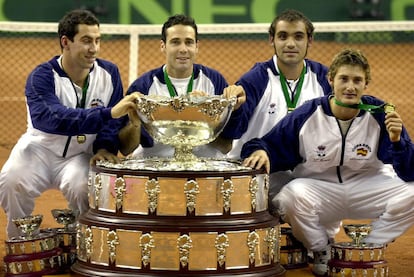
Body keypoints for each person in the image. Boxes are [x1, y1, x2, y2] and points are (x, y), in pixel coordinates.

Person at [241, 48, 414, 276]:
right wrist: (261, 151)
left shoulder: (379, 114)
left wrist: (397, 141)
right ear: (331, 80)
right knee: (290, 195)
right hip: (321, 192)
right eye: (344, 79)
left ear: (366, 84)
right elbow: (268, 143)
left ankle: (366, 247)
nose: (350, 86)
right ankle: (322, 249)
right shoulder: (308, 114)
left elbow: (409, 171)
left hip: (368, 188)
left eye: (357, 80)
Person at [0, 9, 140, 239]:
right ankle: (22, 243)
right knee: (11, 181)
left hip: (80, 154)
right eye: (86, 41)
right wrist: (108, 113)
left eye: (97, 40)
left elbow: (111, 126)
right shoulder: (41, 77)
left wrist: (105, 147)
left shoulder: (109, 73)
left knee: (85, 186)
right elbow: (54, 119)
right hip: (39, 151)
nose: (93, 48)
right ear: (66, 42)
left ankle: (85, 243)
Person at [223, 9, 331, 199]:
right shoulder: (256, 79)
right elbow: (234, 132)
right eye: (283, 36)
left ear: (310, 41)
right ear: (272, 40)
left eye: (298, 37)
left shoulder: (323, 79)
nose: (290, 44)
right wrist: (235, 109)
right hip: (256, 173)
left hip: (302, 174)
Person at [118, 14, 245, 158]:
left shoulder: (214, 81)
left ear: (197, 46)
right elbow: (125, 148)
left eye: (189, 42)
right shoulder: (143, 86)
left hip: (203, 168)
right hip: (157, 169)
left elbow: (225, 147)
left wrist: (203, 116)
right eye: (175, 42)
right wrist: (135, 124)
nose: (183, 49)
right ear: (163, 46)